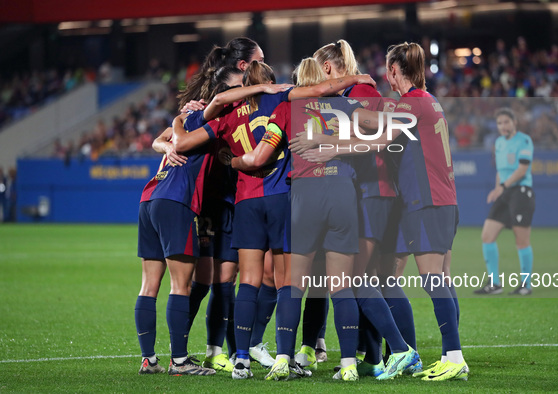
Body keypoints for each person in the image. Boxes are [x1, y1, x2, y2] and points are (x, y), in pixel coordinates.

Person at [171, 60, 377, 380]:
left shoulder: (229, 112)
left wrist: (188, 128)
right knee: (293, 283)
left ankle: (242, 359)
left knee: (249, 281)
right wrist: (359, 78)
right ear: (272, 82)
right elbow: (335, 100)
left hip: (246, 201)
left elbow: (185, 140)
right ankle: (318, 359)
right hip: (288, 197)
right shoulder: (285, 101)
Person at [301, 42, 469, 381]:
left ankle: (449, 355)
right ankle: (443, 354)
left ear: (395, 70)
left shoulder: (412, 102)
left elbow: (379, 139)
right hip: (440, 198)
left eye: (388, 72)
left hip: (426, 199)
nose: (386, 79)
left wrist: (330, 146)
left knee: (431, 279)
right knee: (436, 280)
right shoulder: (428, 101)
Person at [136, 66, 289, 376]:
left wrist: (169, 136)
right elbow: (172, 139)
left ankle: (153, 358)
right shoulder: (212, 118)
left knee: (163, 284)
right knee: (195, 283)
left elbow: (165, 139)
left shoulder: (202, 117)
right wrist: (173, 136)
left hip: (152, 196)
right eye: (237, 88)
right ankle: (185, 359)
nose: (240, 93)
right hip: (188, 201)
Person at [474, 107, 535, 296]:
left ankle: (526, 284)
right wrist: (497, 189)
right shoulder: (499, 143)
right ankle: (494, 284)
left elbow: (522, 170)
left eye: (506, 122)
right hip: (505, 192)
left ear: (514, 122)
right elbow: (501, 170)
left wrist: (503, 186)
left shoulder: (524, 140)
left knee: (521, 240)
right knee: (487, 236)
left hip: (521, 192)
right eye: (500, 123)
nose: (503, 126)